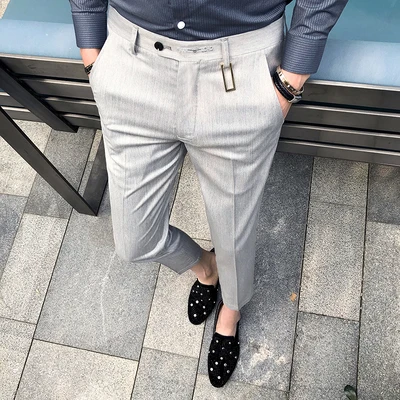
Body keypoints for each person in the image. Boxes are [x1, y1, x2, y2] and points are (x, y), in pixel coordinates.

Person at [69, 0, 348, 387]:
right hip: (131, 60)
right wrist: (93, 58)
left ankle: (231, 310)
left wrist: (289, 82)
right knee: (135, 241)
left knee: (235, 233)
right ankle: (207, 267)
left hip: (239, 67)